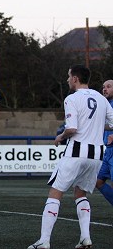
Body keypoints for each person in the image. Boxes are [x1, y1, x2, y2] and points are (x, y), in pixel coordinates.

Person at [28, 65, 113, 249]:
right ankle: (85, 238)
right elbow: (111, 124)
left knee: (55, 193)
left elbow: (72, 128)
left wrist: (60, 137)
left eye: (68, 76)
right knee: (80, 193)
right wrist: (96, 126)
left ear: (75, 78)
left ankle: (44, 240)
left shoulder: (72, 98)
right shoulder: (101, 98)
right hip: (97, 155)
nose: (67, 80)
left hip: (76, 152)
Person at [96, 79, 113, 206]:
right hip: (108, 153)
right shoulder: (105, 104)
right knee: (97, 181)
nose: (105, 89)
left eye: (108, 86)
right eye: (103, 87)